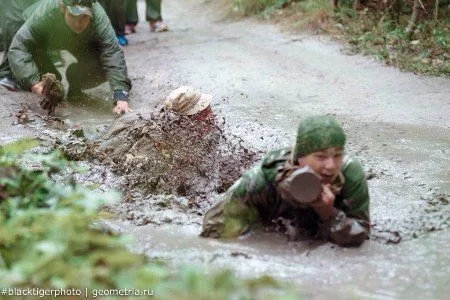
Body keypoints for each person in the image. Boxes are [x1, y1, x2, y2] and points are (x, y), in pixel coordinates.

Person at [201, 115, 370, 247]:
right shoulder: (262, 180)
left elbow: (361, 234)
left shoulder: (350, 175)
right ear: (300, 157)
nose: (331, 166)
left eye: (337, 155)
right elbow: (213, 227)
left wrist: (329, 214)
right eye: (320, 157)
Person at [0, 0, 132, 114]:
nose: (78, 23)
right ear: (63, 8)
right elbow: (19, 46)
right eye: (74, 16)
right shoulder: (45, 13)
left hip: (80, 41)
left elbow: (112, 51)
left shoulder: (97, 14)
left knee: (100, 62)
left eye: (84, 17)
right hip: (45, 39)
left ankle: (75, 88)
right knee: (50, 84)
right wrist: (33, 83)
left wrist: (121, 95)